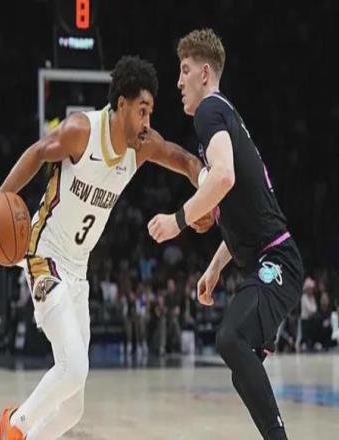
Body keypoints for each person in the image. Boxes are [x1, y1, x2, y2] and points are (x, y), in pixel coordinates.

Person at [0, 56, 214, 440]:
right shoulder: (81, 131)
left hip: (78, 270)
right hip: (44, 256)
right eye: (142, 111)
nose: (147, 122)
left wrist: (205, 192)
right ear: (121, 105)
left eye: (150, 112)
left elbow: (185, 160)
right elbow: (38, 152)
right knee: (73, 368)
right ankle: (14, 425)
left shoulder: (141, 146)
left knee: (73, 408)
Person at [148, 29, 304, 439]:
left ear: (205, 73)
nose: (178, 82)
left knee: (231, 338)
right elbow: (240, 211)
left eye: (184, 71)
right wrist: (216, 267)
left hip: (277, 260)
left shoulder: (210, 111)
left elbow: (224, 177)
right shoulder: (223, 119)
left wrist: (177, 220)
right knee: (240, 365)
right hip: (269, 259)